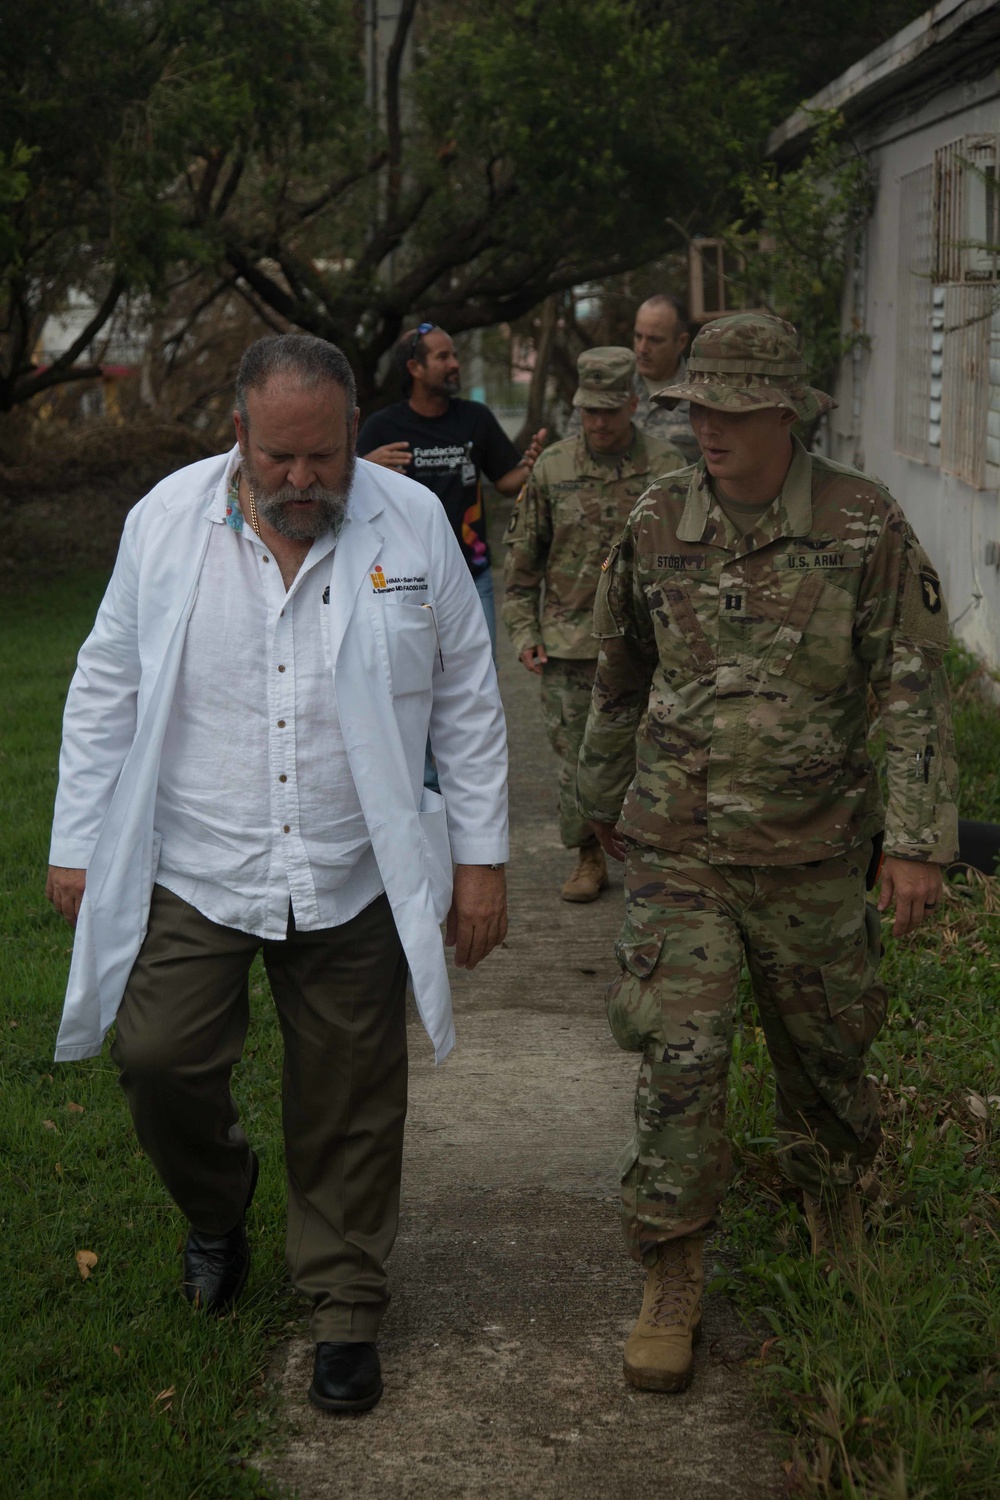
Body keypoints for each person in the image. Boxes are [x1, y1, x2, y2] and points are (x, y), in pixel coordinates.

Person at [46, 334, 509, 1417]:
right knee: (157, 1059)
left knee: (349, 1094)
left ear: (355, 433)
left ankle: (345, 1308)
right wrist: (77, 838)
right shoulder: (165, 522)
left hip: (351, 866)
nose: (304, 483)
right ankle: (219, 1204)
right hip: (200, 857)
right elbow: (105, 681)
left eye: (326, 458)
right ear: (239, 437)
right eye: (281, 461)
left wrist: (481, 865)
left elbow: (468, 704)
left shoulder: (413, 528)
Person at [577, 312, 958, 1395]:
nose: (711, 428)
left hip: (811, 853)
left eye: (734, 411)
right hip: (680, 847)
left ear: (786, 413)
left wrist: (920, 842)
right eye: (698, 408)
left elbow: (915, 685)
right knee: (679, 1062)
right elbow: (619, 669)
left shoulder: (861, 523)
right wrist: (598, 804)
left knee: (825, 1056)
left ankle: (828, 1204)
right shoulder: (655, 518)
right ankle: (673, 1267)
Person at [502, 347, 683, 901]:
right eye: (589, 411)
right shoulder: (553, 469)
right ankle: (587, 859)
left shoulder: (669, 467)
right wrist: (524, 633)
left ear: (634, 402)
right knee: (580, 761)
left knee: (663, 755)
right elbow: (521, 562)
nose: (599, 423)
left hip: (655, 646)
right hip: (572, 645)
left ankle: (660, 858)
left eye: (610, 410)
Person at [357, 323, 546, 653]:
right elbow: (346, 491)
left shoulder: (475, 418)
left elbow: (504, 482)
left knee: (478, 678)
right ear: (415, 368)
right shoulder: (383, 426)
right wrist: (365, 464)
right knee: (410, 678)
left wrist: (531, 467)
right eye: (443, 357)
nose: (455, 363)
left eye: (454, 355)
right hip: (405, 582)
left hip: (472, 576)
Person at [631, 294, 697, 462]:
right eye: (638, 336)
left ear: (681, 342)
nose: (642, 348)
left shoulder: (700, 394)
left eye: (655, 340)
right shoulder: (615, 385)